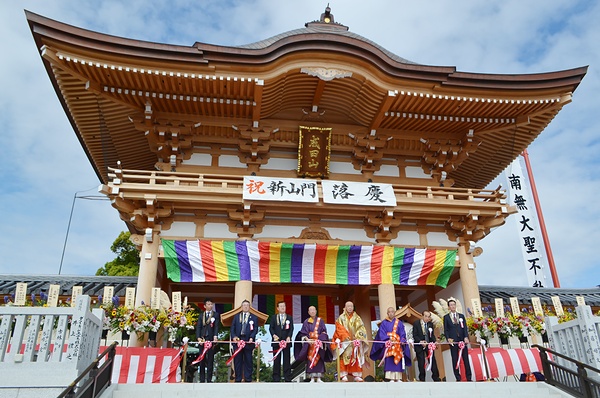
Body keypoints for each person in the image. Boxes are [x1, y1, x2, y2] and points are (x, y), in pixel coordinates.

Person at [370, 307, 411, 382]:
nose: (391, 313)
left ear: (394, 313)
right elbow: (381, 333)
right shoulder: (384, 323)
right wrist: (387, 340)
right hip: (388, 344)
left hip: (397, 344)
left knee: (397, 360)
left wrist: (402, 339)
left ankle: (398, 377)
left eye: (392, 312)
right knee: (389, 359)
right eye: (389, 312)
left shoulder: (399, 323)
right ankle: (391, 378)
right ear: (387, 313)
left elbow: (402, 332)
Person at [332, 301, 369, 382]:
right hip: (345, 341)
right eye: (348, 306)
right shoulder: (341, 318)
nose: (350, 308)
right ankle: (343, 374)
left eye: (351, 306)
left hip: (354, 341)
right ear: (345, 307)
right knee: (343, 357)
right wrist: (346, 336)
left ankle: (357, 375)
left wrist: (358, 337)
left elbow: (361, 328)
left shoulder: (357, 318)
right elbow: (339, 328)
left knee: (355, 357)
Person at [294, 305, 333, 383]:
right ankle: (312, 378)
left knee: (319, 359)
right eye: (310, 310)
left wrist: (320, 339)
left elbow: (324, 331)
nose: (312, 311)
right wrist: (307, 339)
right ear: (308, 312)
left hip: (318, 343)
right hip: (310, 344)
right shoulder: (306, 321)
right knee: (310, 359)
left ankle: (319, 377)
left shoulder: (320, 321)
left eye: (313, 310)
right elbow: (303, 332)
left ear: (316, 311)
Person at [443, 298, 472, 382]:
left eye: (454, 304)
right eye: (451, 305)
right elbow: (446, 329)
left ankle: (469, 377)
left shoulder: (461, 316)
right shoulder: (446, 317)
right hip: (453, 340)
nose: (452, 306)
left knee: (465, 359)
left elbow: (465, 328)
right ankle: (457, 377)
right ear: (448, 307)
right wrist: (448, 338)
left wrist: (466, 337)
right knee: (455, 359)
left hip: (462, 339)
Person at [230, 300, 258, 382]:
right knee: (237, 360)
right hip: (238, 341)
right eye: (244, 305)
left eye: (247, 305)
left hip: (248, 341)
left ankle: (248, 378)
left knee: (248, 360)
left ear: (249, 307)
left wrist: (252, 337)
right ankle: (238, 378)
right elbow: (232, 328)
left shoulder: (253, 317)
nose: (245, 306)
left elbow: (255, 329)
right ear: (242, 307)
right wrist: (234, 337)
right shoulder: (236, 316)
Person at [195, 298, 220, 383]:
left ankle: (209, 379)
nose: (210, 305)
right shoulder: (201, 315)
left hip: (210, 339)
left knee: (210, 360)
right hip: (202, 339)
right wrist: (198, 338)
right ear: (205, 306)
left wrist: (215, 336)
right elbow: (198, 327)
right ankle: (202, 379)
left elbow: (216, 326)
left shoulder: (215, 315)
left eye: (211, 304)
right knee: (201, 359)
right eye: (208, 304)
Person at [412, 310, 441, 382]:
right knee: (421, 362)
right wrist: (420, 341)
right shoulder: (416, 323)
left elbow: (432, 335)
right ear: (422, 316)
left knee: (432, 360)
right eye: (426, 316)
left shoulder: (430, 324)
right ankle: (422, 378)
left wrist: (434, 342)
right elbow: (414, 335)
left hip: (428, 345)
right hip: (420, 345)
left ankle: (436, 377)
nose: (427, 318)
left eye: (428, 317)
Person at [269, 301, 293, 382]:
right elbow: (271, 328)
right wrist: (273, 335)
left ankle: (287, 378)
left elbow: (291, 329)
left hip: (286, 342)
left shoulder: (289, 317)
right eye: (281, 306)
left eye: (284, 306)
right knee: (276, 360)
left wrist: (289, 337)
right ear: (277, 308)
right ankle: (276, 378)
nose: (283, 308)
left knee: (287, 360)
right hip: (276, 342)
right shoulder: (273, 317)